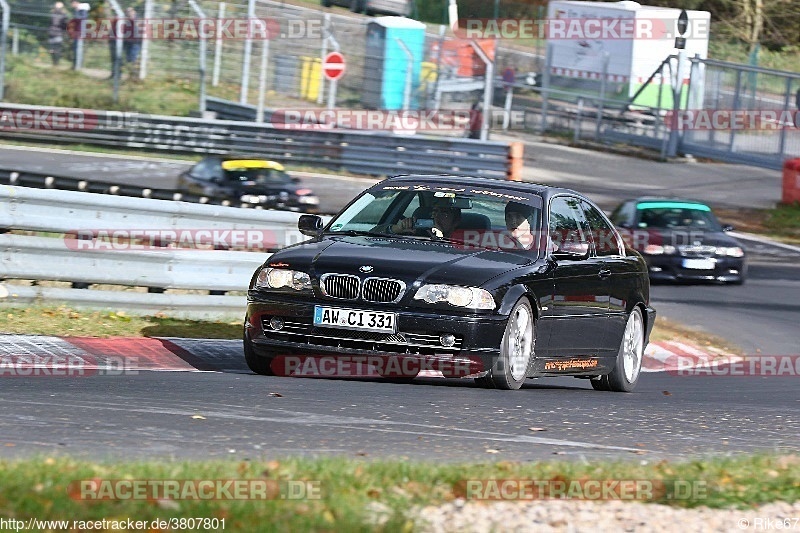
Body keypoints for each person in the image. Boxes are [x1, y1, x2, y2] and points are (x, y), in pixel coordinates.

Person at [379, 198, 463, 239]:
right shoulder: (413, 232)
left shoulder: (462, 241)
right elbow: (373, 234)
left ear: (456, 221)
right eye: (435, 211)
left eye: (444, 213)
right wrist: (396, 229)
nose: (436, 216)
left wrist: (440, 239)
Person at [70, 1, 90, 69]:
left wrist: (77, 13)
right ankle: (75, 65)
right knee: (76, 48)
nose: (72, 5)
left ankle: (78, 65)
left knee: (78, 48)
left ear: (75, 3)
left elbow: (82, 18)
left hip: (80, 31)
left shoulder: (82, 9)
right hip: (77, 31)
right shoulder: (78, 10)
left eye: (72, 3)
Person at [47, 2, 69, 66]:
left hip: (52, 33)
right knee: (56, 49)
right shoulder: (63, 15)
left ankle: (54, 63)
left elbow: (50, 23)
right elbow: (65, 24)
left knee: (52, 49)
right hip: (58, 33)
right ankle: (56, 63)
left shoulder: (52, 14)